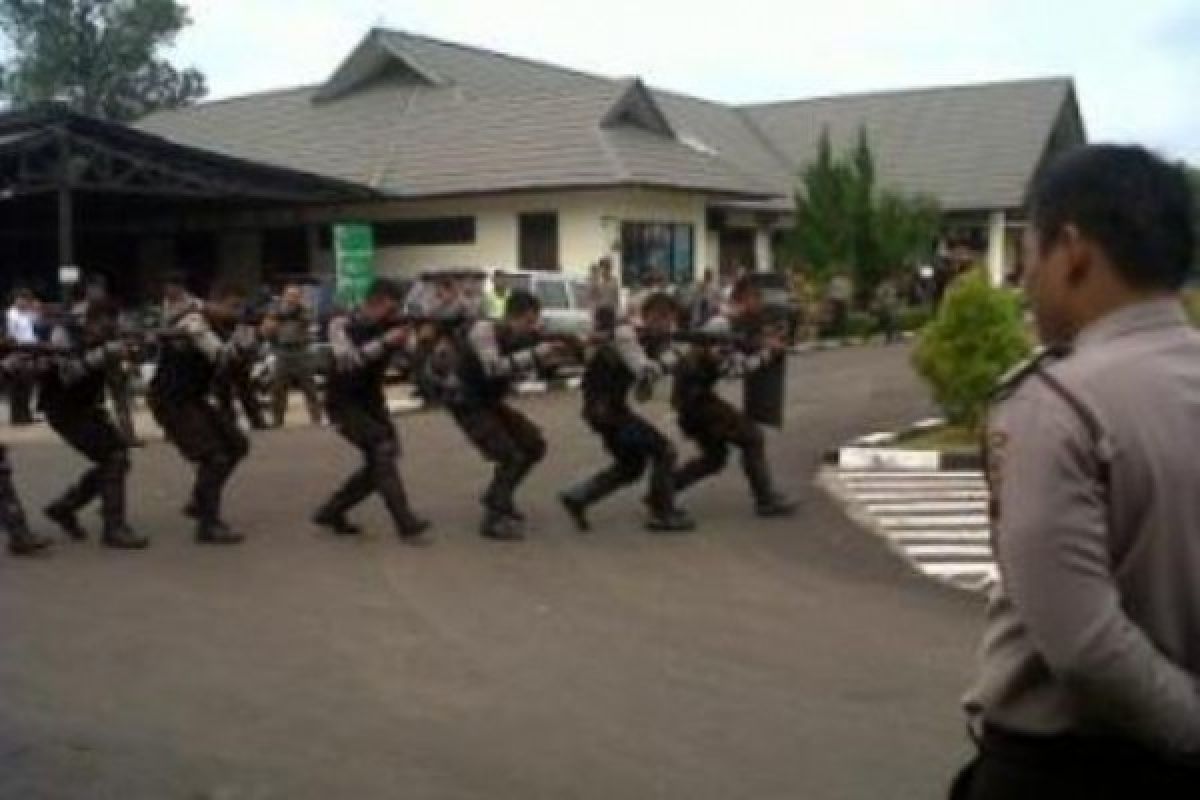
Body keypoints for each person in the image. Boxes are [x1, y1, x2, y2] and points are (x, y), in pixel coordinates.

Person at [953, 145, 1200, 799]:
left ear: (1073, 249)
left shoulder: (1056, 406)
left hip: (1067, 768)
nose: (1025, 279)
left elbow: (1087, 649)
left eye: (1028, 254)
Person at [559, 294, 695, 533]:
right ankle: (662, 513)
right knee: (665, 451)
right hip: (606, 411)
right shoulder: (626, 334)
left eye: (671, 322)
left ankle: (578, 497)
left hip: (611, 409)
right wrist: (672, 358)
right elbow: (643, 371)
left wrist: (665, 358)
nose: (668, 327)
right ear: (651, 316)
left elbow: (643, 392)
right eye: (665, 320)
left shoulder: (644, 341)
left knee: (631, 465)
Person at [444, 289, 566, 541]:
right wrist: (536, 354)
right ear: (513, 316)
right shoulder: (484, 331)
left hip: (489, 401)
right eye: (529, 321)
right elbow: (494, 368)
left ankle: (498, 496)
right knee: (509, 455)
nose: (531, 327)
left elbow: (532, 362)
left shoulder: (523, 337)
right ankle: (494, 518)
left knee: (533, 444)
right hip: (467, 402)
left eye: (535, 322)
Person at [313, 279, 430, 542]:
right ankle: (405, 523)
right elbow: (347, 361)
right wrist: (386, 341)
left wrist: (420, 341)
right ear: (375, 302)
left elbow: (414, 357)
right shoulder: (340, 324)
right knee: (382, 451)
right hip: (343, 403)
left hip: (372, 403)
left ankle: (332, 510)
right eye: (390, 309)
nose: (393, 315)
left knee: (381, 462)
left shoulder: (392, 325)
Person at [671, 276, 795, 517]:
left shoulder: (735, 325)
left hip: (693, 398)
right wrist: (766, 353)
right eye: (756, 298)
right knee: (752, 436)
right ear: (743, 298)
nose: (761, 305)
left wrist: (762, 347)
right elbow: (732, 369)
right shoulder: (722, 325)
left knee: (715, 457)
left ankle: (661, 491)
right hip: (695, 400)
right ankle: (766, 499)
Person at [148, 276, 250, 545]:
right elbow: (221, 356)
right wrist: (249, 339)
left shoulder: (221, 325)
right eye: (232, 306)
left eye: (240, 307)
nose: (236, 313)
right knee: (214, 456)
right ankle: (208, 524)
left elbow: (235, 367)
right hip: (170, 399)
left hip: (193, 398)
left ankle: (199, 500)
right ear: (214, 302)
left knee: (236, 444)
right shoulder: (194, 322)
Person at [39, 301, 147, 549]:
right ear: (90, 321)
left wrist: (130, 355)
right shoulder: (66, 336)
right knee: (115, 458)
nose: (106, 331)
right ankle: (113, 528)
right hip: (62, 410)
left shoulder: (106, 341)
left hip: (86, 409)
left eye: (111, 326)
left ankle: (65, 507)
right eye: (102, 325)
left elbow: (117, 385)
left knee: (118, 459)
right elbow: (69, 374)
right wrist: (105, 353)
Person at [262, 284, 322, 427]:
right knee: (278, 389)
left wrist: (286, 315)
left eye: (295, 296)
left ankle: (316, 420)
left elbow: (308, 320)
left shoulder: (304, 309)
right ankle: (277, 420)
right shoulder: (275, 310)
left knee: (310, 387)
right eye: (289, 295)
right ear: (284, 296)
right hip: (283, 351)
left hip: (301, 351)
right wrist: (272, 324)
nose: (292, 298)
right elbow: (267, 329)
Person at [6, 288, 39, 425]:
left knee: (28, 384)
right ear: (17, 299)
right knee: (17, 384)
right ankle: (16, 416)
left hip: (30, 350)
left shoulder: (27, 314)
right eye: (23, 299)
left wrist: (35, 307)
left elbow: (37, 320)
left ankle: (25, 414)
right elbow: (10, 335)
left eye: (27, 300)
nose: (26, 303)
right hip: (17, 351)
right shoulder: (10, 315)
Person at [588, 258, 620, 322]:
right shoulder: (596, 281)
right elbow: (591, 297)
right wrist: (593, 310)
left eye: (608, 268)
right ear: (601, 268)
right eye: (604, 267)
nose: (607, 270)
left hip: (611, 311)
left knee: (611, 331)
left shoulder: (614, 281)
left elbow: (616, 297)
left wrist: (617, 311)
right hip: (600, 311)